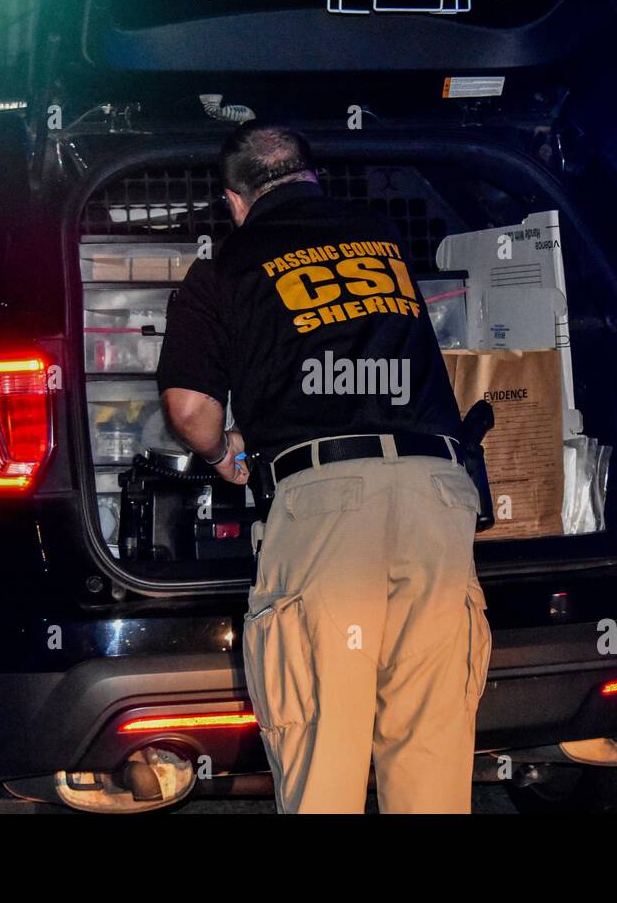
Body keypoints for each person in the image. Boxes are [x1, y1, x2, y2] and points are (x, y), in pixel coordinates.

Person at [155, 122, 492, 813]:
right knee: (432, 748)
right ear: (312, 176)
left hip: (328, 508)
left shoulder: (224, 267)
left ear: (235, 202)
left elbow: (189, 408)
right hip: (437, 494)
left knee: (322, 746)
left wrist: (226, 457)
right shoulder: (382, 240)